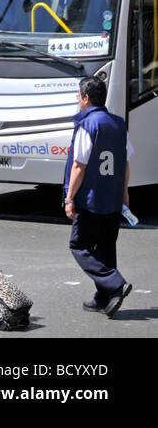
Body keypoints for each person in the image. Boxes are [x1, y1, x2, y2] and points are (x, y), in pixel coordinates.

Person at [66, 75, 133, 318]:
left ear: (85, 98)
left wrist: (69, 197)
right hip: (113, 197)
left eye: (78, 96)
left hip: (91, 198)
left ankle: (115, 283)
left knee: (79, 245)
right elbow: (125, 162)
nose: (77, 100)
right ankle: (104, 297)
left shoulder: (88, 124)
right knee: (105, 247)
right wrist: (124, 192)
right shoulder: (118, 123)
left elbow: (79, 166)